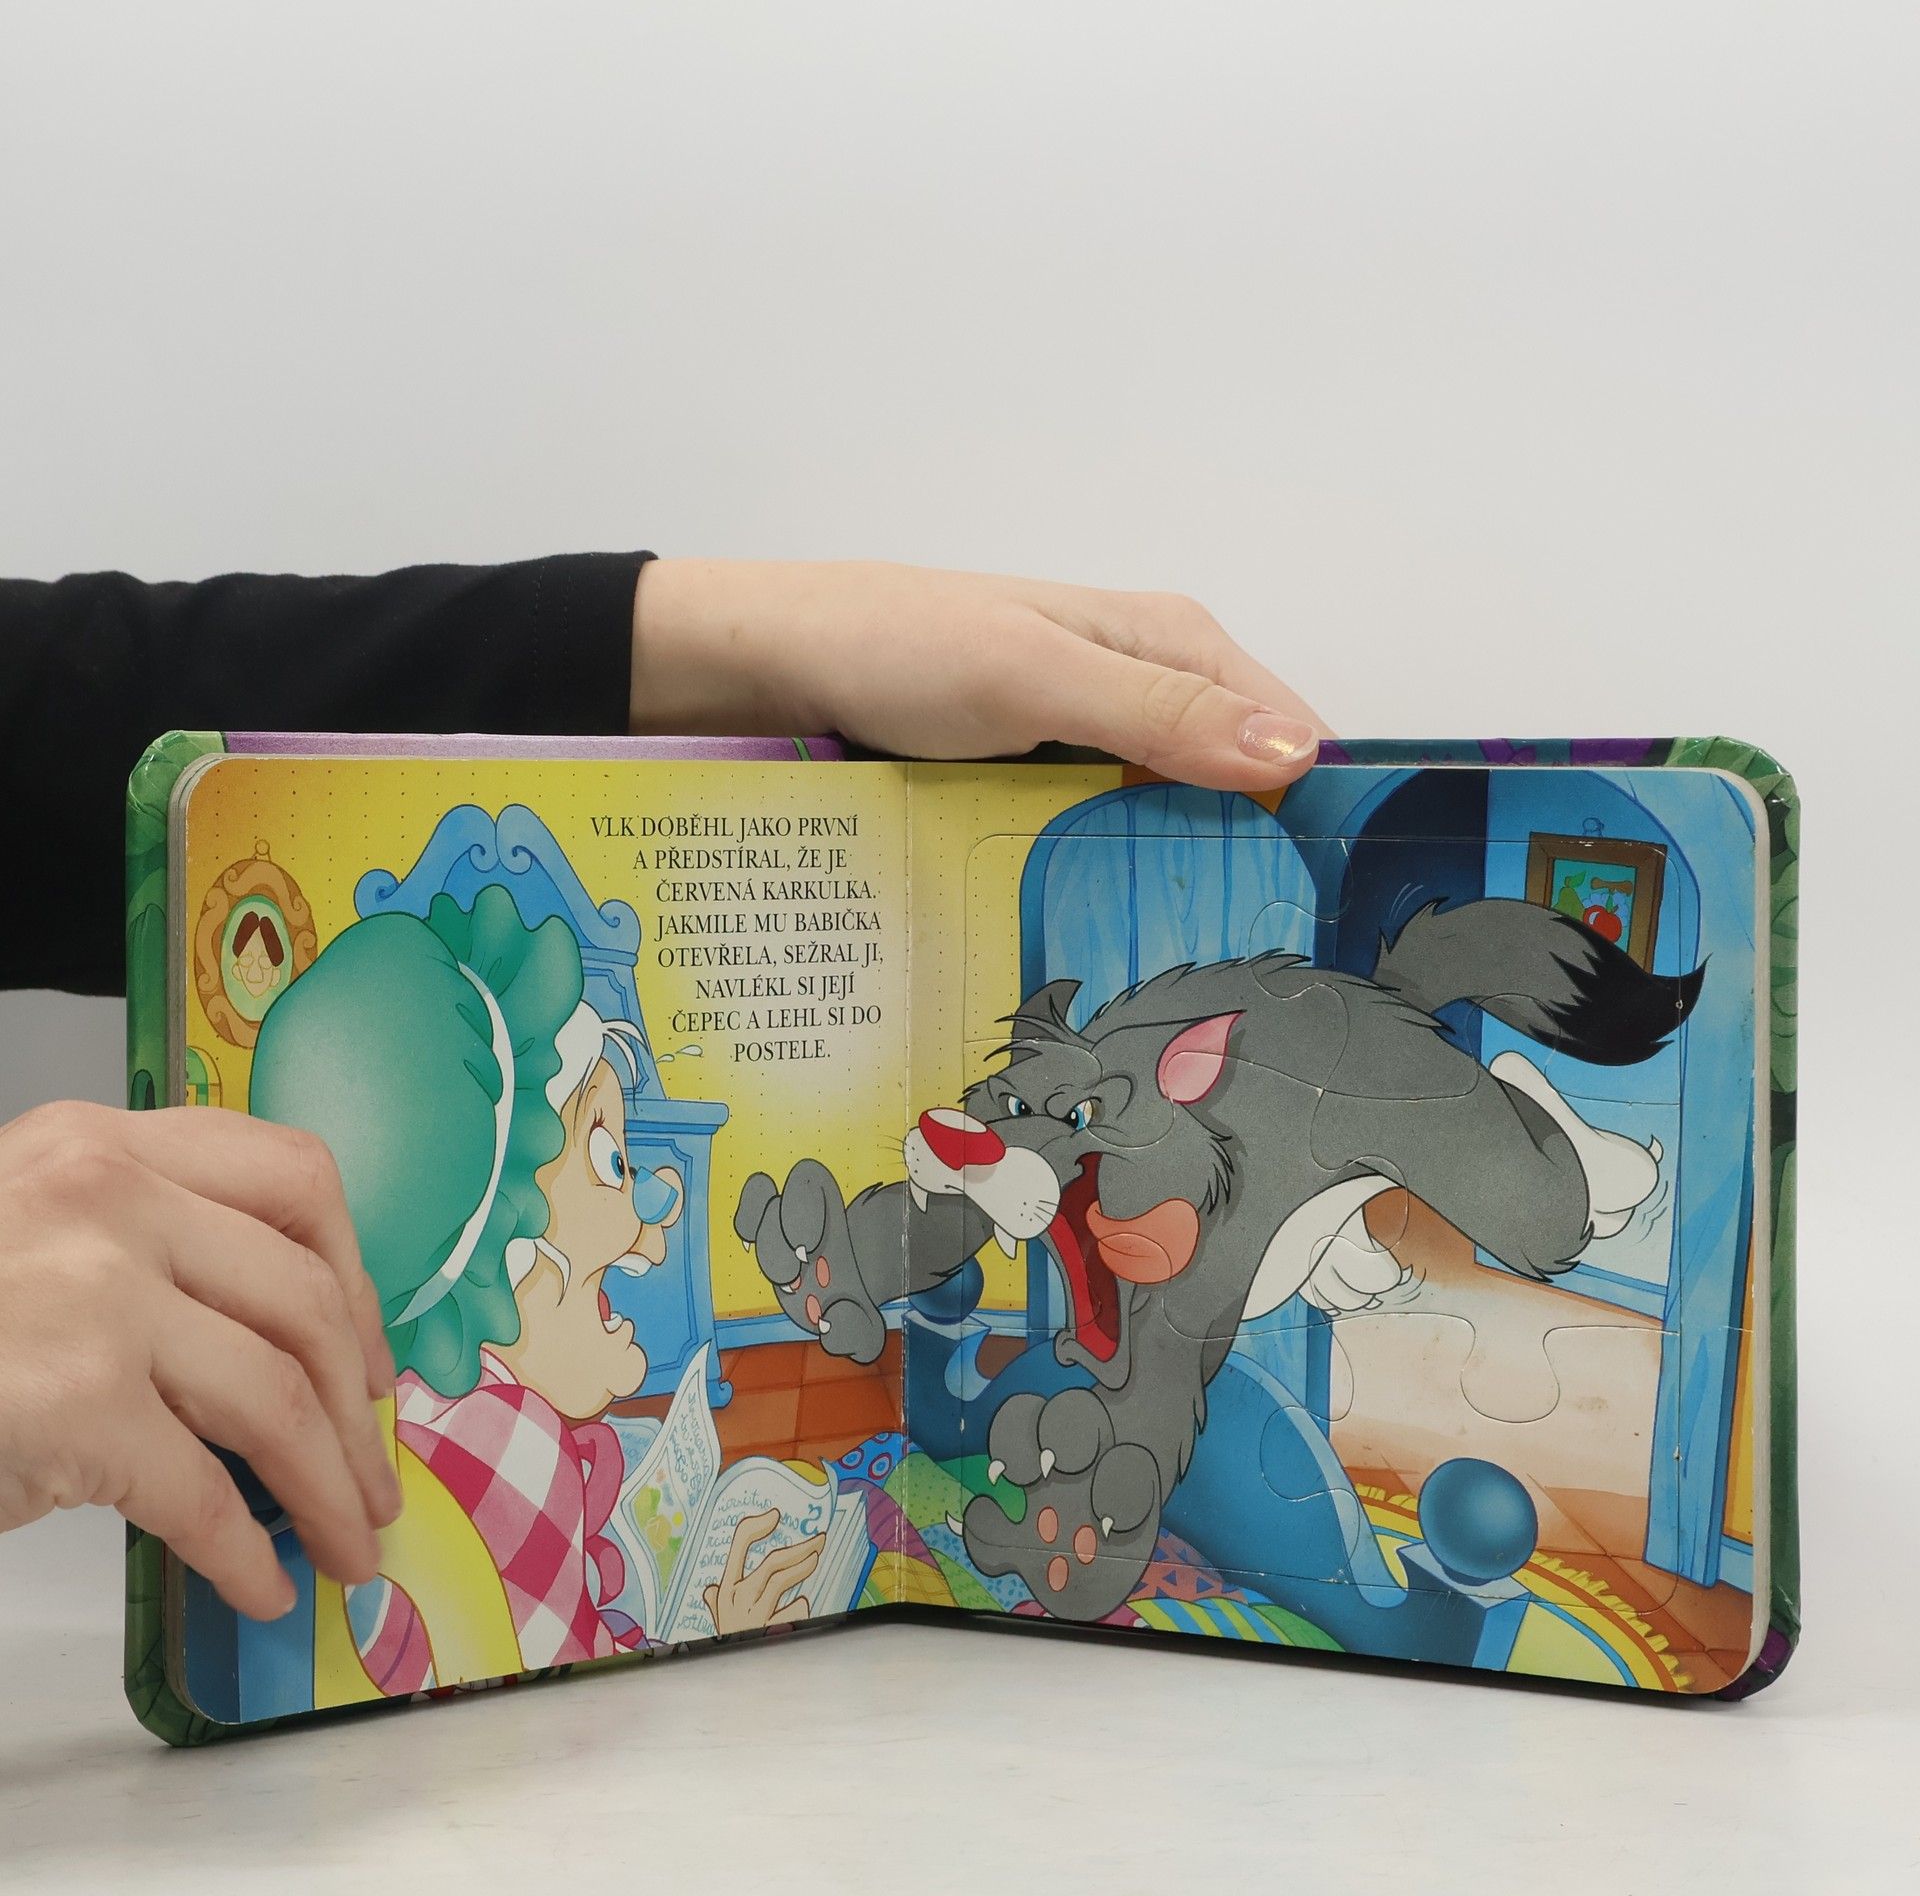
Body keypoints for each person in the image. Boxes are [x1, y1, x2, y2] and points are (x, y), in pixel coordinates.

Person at [0, 553, 1324, 1625]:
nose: (648, 1216)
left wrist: (747, 635)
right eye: (612, 1161)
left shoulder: (531, 1430)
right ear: (506, 1240)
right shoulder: (493, 1456)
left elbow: (50, 717)